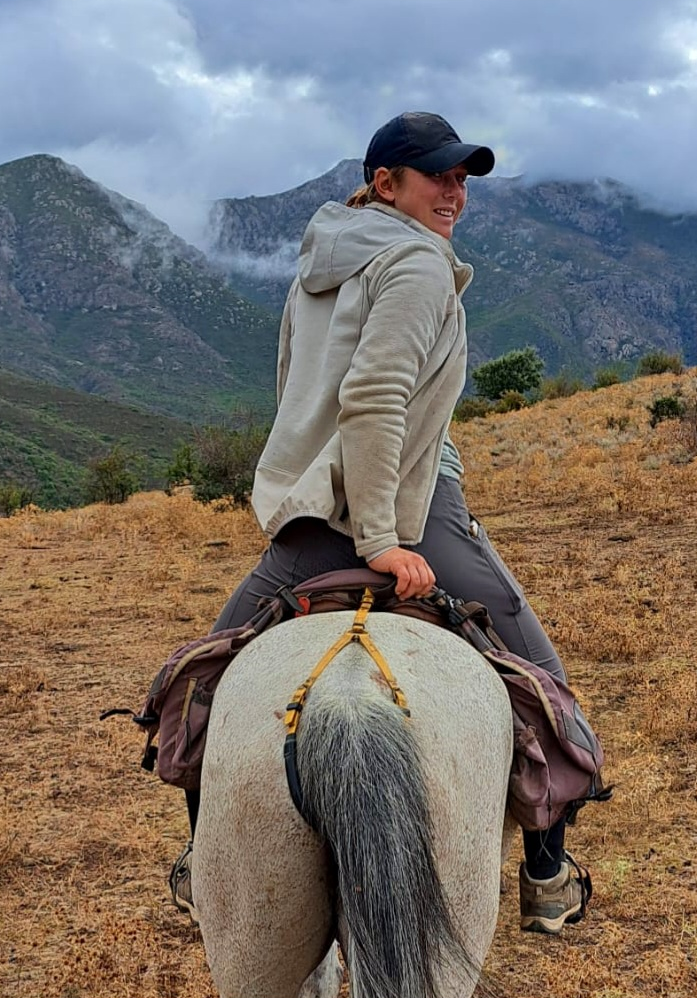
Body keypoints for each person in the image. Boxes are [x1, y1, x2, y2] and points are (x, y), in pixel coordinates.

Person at [170, 111, 590, 935]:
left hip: (305, 509)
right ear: (386, 183)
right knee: (547, 686)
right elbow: (373, 400)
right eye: (438, 175)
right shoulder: (420, 265)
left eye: (463, 177)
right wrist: (382, 539)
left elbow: (304, 387)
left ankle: (199, 863)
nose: (454, 192)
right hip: (405, 501)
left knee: (200, 690)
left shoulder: (319, 258)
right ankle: (544, 875)